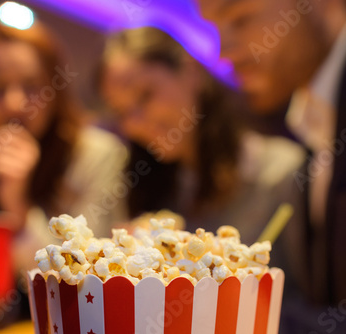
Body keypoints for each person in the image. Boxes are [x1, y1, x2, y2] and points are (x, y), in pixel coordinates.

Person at [198, 0, 346, 331]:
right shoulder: (316, 111)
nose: (224, 52)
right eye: (214, 27)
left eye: (239, 19)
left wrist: (239, 320)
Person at [0, 14, 126, 326]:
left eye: (32, 87)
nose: (14, 104)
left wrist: (15, 203)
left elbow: (88, 283)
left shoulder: (99, 155)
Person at [98, 27, 304, 242]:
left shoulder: (281, 173)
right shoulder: (153, 189)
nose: (135, 123)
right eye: (121, 112)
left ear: (191, 72)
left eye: (145, 95)